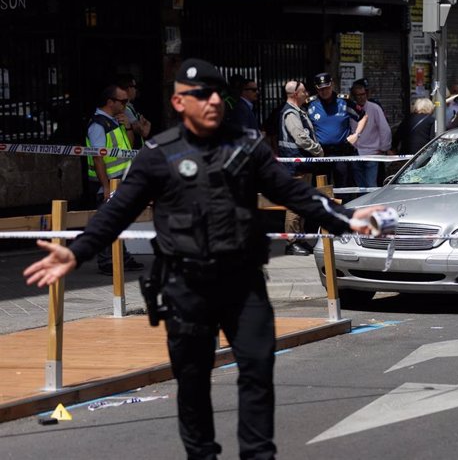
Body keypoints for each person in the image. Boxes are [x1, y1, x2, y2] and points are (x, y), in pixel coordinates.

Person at [24, 58, 384, 460]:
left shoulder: (246, 147)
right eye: (199, 95)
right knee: (193, 383)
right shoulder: (160, 153)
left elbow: (295, 194)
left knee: (257, 373)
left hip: (243, 284)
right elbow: (117, 211)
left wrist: (347, 218)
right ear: (179, 102)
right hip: (185, 288)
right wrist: (75, 251)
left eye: (216, 93)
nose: (211, 101)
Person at [85, 84, 143, 275]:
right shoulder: (98, 125)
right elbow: (97, 156)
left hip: (121, 180)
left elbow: (128, 147)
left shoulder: (114, 121)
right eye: (123, 101)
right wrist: (106, 186)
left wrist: (127, 126)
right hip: (109, 183)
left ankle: (122, 258)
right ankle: (106, 261)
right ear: (110, 102)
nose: (126, 105)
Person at [277, 80, 324, 256]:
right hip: (294, 166)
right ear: (295, 94)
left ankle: (300, 238)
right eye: (304, 91)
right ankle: (292, 242)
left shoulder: (298, 111)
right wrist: (318, 150)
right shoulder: (290, 113)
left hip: (301, 166)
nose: (307, 94)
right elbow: (301, 138)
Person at [307, 72, 367, 199]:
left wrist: (356, 135)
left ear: (332, 85)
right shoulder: (309, 104)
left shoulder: (343, 101)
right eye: (321, 89)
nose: (324, 91)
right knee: (321, 189)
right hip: (321, 153)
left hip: (342, 152)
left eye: (327, 87)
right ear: (316, 88)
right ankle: (323, 216)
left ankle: (344, 214)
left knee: (344, 188)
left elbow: (363, 116)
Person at [349, 81, 391, 188]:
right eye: (358, 95)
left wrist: (384, 148)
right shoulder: (350, 109)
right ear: (353, 96)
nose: (361, 97)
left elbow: (384, 129)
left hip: (371, 153)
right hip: (355, 152)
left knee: (371, 185)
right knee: (360, 187)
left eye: (363, 94)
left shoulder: (374, 108)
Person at [116, 73, 152, 149]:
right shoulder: (124, 108)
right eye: (135, 87)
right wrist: (148, 124)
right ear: (128, 88)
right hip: (129, 152)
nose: (136, 90)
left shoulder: (130, 107)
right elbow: (143, 132)